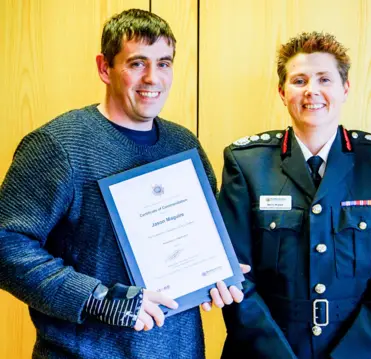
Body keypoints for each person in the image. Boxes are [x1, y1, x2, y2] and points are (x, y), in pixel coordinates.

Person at [0, 9, 244, 358]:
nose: (152, 78)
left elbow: (201, 240)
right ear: (104, 68)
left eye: (164, 63)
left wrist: (220, 273)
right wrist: (99, 299)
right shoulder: (59, 145)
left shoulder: (184, 145)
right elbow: (6, 245)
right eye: (136, 63)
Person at [217, 31, 371, 358]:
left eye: (324, 79)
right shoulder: (246, 163)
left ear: (345, 89)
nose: (312, 91)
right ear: (282, 92)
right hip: (265, 352)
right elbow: (234, 275)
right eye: (299, 81)